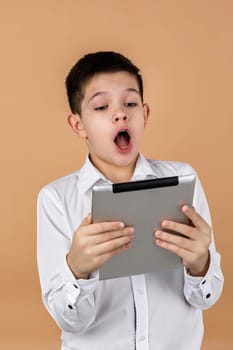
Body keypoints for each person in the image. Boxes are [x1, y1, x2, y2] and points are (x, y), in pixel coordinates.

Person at [37, 51, 224, 350]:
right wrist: (77, 269)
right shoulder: (56, 199)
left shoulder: (183, 179)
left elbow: (207, 296)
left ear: (145, 114)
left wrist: (201, 264)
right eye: (101, 106)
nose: (121, 113)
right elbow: (70, 321)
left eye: (131, 103)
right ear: (78, 125)